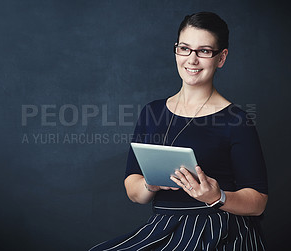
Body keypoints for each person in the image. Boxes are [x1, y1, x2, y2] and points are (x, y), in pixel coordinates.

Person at [90, 12, 268, 251]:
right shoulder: (152, 112)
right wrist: (150, 185)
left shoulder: (236, 120)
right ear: (176, 50)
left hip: (219, 230)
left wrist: (217, 197)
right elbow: (134, 191)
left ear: (221, 58)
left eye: (204, 51)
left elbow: (258, 202)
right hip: (164, 227)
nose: (192, 60)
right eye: (184, 48)